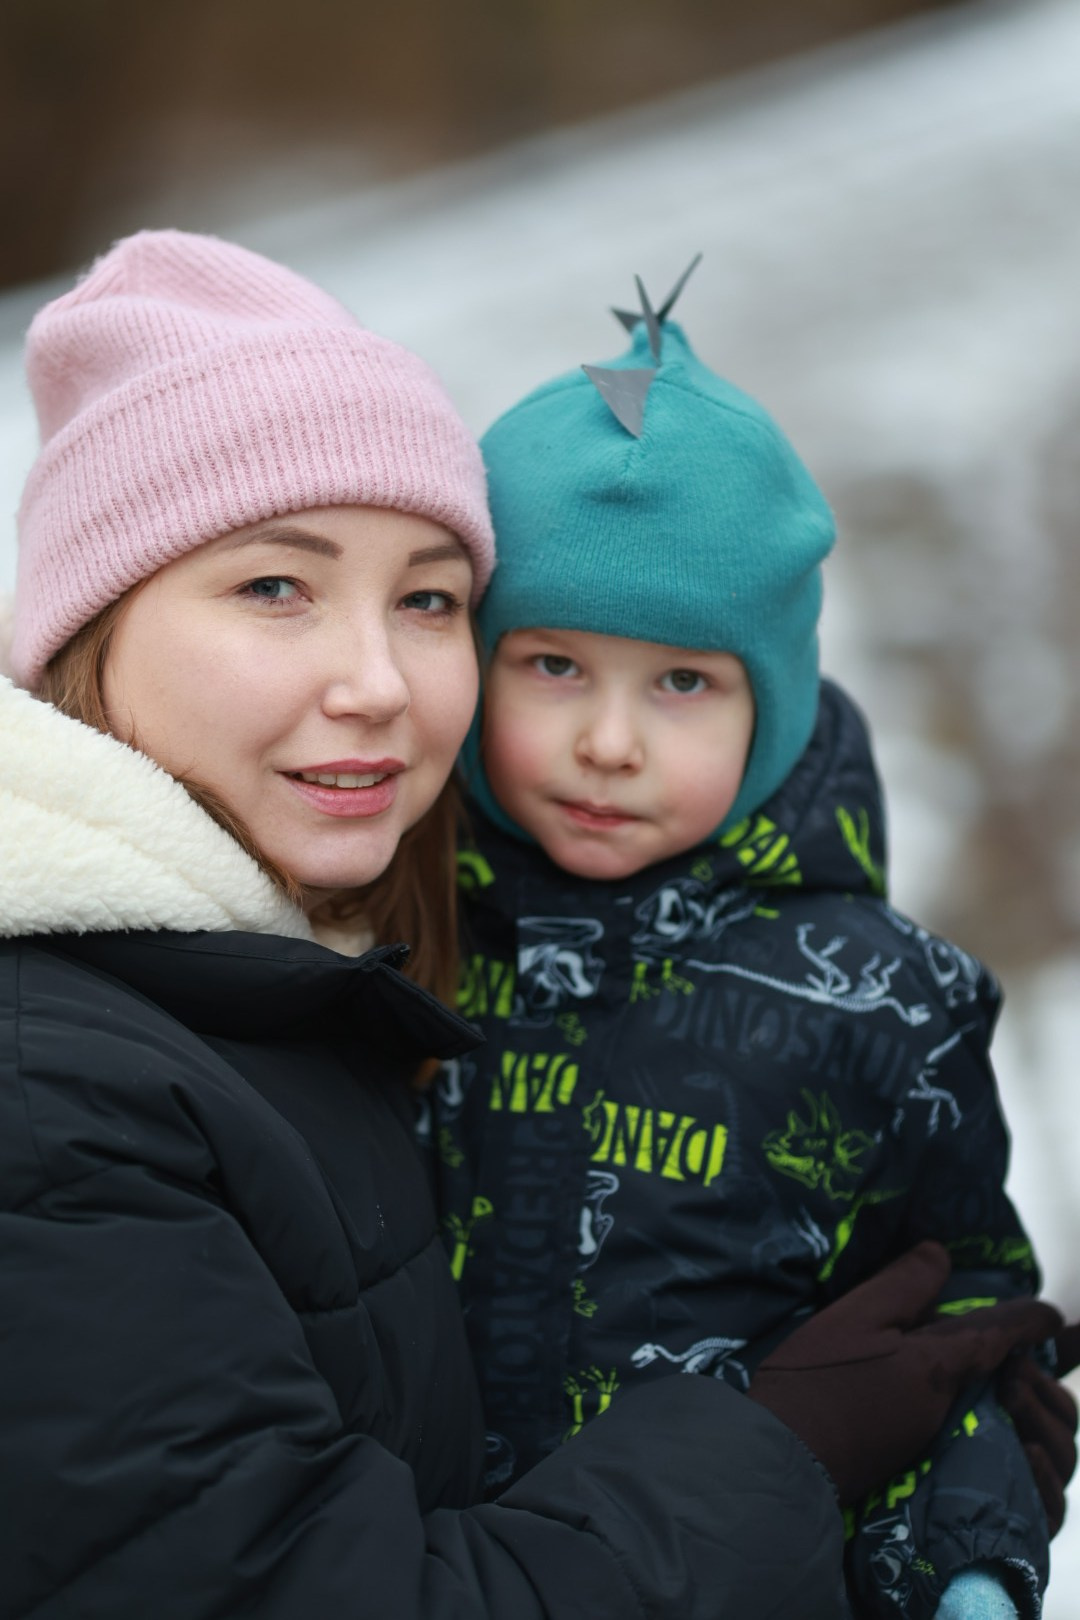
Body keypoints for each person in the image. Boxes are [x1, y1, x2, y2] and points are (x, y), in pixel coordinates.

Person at [5, 228, 1066, 1620]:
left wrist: (957, 1526)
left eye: (429, 599)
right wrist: (781, 1457)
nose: (379, 681)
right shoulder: (55, 1092)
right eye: (277, 585)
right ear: (88, 624)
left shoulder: (321, 979)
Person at [431, 266, 1074, 1620]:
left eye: (683, 683)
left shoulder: (887, 1009)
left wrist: (958, 1571)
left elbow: (956, 1336)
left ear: (769, 707)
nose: (611, 741)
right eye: (554, 665)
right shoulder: (399, 941)